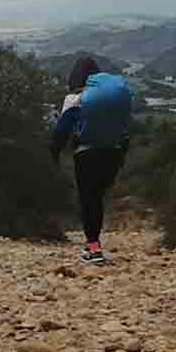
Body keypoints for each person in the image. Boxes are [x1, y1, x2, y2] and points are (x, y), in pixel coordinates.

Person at [50, 56, 132, 265]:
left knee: (89, 200)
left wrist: (54, 155)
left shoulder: (76, 98)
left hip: (87, 154)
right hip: (113, 154)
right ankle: (93, 245)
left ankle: (93, 249)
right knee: (97, 199)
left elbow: (61, 131)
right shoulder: (116, 97)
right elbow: (125, 129)